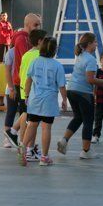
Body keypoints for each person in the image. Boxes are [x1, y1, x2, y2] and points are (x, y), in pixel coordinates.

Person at [57, 33, 103, 159]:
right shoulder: (90, 59)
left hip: (72, 90)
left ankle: (64, 141)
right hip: (83, 93)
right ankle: (86, 151)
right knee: (88, 121)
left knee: (78, 118)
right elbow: (90, 79)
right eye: (95, 42)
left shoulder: (80, 55)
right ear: (89, 44)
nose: (97, 44)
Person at [21, 37, 67, 166]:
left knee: (32, 124)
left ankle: (23, 148)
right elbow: (62, 85)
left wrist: (26, 95)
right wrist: (64, 99)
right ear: (54, 50)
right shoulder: (57, 65)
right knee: (46, 128)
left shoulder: (35, 62)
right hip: (49, 101)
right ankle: (44, 157)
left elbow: (28, 80)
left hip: (35, 99)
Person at [10, 13, 42, 144]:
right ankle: (23, 144)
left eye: (39, 24)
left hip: (24, 82)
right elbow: (28, 60)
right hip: (23, 83)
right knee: (26, 116)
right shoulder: (22, 39)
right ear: (27, 25)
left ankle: (18, 137)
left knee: (26, 115)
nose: (38, 27)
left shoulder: (25, 38)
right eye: (36, 24)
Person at [16, 27, 47, 162]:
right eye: (45, 40)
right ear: (40, 41)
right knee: (33, 123)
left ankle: (28, 148)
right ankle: (28, 149)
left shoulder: (26, 54)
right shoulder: (39, 55)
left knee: (29, 122)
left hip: (24, 92)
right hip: (34, 93)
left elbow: (21, 72)